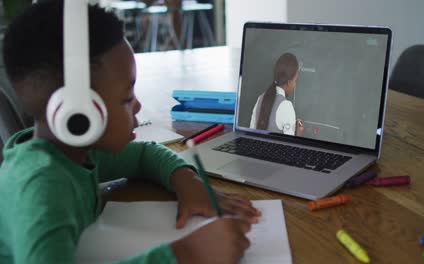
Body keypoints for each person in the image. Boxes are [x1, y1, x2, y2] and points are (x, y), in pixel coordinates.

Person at [0, 1, 260, 263]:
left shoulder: (74, 153)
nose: (137, 105)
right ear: (78, 114)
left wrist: (187, 182)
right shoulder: (42, 189)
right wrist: (186, 254)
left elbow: (143, 155)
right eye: (126, 98)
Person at [249, 53, 304, 137]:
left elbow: (251, 134)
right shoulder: (286, 106)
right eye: (295, 80)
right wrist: (298, 135)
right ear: (289, 82)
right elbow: (289, 147)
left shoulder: (260, 98)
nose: (295, 85)